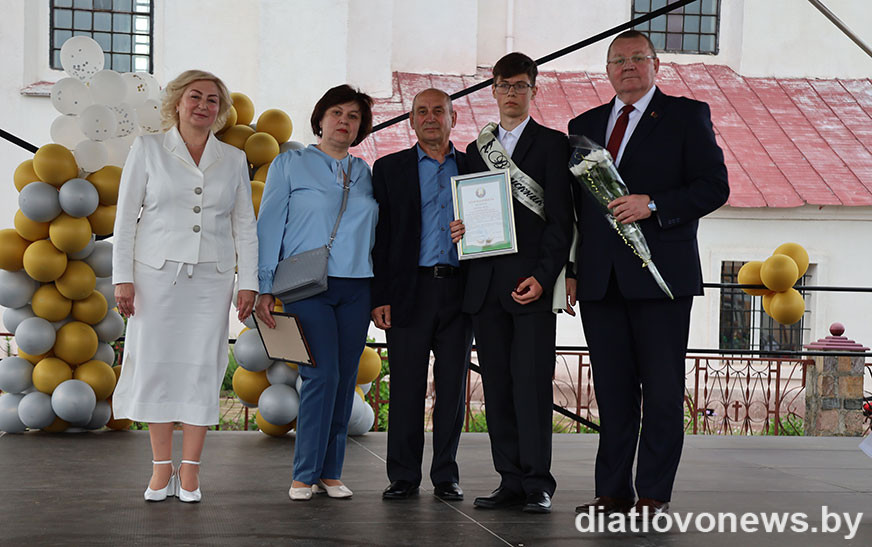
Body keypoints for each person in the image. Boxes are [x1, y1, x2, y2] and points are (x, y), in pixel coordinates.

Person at [567, 30, 729, 517]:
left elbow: (714, 187)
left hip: (662, 278)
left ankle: (654, 493)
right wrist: (571, 270)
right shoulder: (584, 125)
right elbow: (574, 208)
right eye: (618, 60)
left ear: (656, 65)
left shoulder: (686, 115)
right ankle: (612, 491)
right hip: (600, 280)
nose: (628, 67)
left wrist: (653, 204)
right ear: (607, 70)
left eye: (638, 58)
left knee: (660, 391)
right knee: (612, 392)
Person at [112, 69, 259, 503]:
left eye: (212, 100)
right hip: (154, 279)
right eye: (195, 96)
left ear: (221, 110)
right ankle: (161, 468)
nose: (203, 105)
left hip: (212, 280)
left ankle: (190, 470)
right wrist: (123, 278)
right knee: (155, 366)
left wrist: (248, 282)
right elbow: (125, 220)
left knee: (202, 367)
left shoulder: (233, 158)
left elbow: (245, 227)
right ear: (177, 102)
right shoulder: (148, 149)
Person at [254, 84, 377, 502]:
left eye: (354, 116)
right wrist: (264, 286)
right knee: (321, 375)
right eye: (337, 112)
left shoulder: (364, 172)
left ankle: (331, 472)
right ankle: (304, 473)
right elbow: (270, 224)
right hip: (307, 284)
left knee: (344, 380)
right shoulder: (290, 163)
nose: (344, 121)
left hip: (357, 285)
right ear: (321, 118)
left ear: (361, 127)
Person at [463, 52, 574, 514]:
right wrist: (462, 229)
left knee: (531, 387)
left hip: (530, 285)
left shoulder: (552, 144)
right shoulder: (476, 150)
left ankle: (537, 483)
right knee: (499, 389)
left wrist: (544, 277)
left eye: (520, 86)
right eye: (504, 85)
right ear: (493, 89)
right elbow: (472, 211)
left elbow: (561, 221)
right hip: (485, 286)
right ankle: (509, 479)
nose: (512, 93)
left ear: (534, 90)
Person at [371, 88, 472, 502]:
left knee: (452, 389)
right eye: (422, 112)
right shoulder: (388, 168)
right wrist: (379, 295)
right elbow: (380, 238)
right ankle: (403, 475)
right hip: (408, 291)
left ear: (453, 118)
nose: (430, 118)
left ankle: (446, 475)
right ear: (411, 121)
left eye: (439, 111)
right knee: (406, 387)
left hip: (461, 291)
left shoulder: (475, 168)